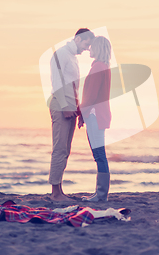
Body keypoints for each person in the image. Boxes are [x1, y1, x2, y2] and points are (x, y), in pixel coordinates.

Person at [48, 28, 95, 201]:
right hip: (61, 107)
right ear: (77, 39)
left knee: (66, 150)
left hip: (71, 107)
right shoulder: (61, 54)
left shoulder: (73, 58)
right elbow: (57, 82)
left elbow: (74, 86)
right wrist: (65, 106)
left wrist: (78, 108)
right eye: (86, 44)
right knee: (59, 149)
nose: (87, 49)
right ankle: (55, 193)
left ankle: (59, 190)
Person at [80, 36, 112, 202]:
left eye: (92, 47)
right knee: (99, 155)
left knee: (99, 155)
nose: (89, 49)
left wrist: (80, 112)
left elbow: (91, 95)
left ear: (98, 48)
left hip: (95, 115)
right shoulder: (103, 66)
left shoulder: (99, 67)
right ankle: (100, 193)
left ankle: (101, 194)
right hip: (98, 114)